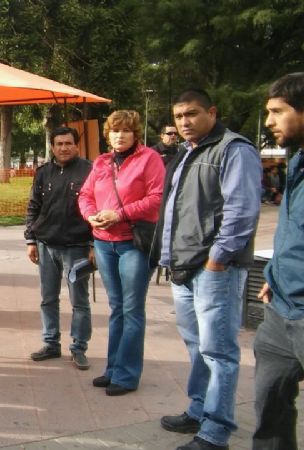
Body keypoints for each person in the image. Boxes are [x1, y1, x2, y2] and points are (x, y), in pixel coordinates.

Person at [157, 89, 261, 450]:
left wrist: (218, 259)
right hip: (184, 265)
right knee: (197, 347)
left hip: (215, 269)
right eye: (179, 116)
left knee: (219, 352)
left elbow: (242, 210)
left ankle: (216, 431)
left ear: (212, 112)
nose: (184, 122)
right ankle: (199, 410)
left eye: (192, 114)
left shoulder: (235, 149)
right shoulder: (187, 152)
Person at [78, 110, 165, 396]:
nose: (119, 135)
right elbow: (85, 195)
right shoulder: (102, 162)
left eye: (126, 130)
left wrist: (120, 214)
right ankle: (113, 368)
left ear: (135, 133)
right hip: (104, 242)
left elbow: (156, 198)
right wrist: (91, 216)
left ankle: (127, 375)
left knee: (132, 309)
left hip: (132, 242)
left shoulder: (149, 158)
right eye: (115, 131)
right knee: (117, 308)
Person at [253, 72, 304, 450]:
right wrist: (276, 273)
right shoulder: (297, 160)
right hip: (279, 309)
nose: (269, 121)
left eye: (277, 111)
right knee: (269, 404)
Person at [26, 126, 94, 370]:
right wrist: (30, 240)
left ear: (76, 145)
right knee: (48, 298)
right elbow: (33, 206)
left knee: (79, 301)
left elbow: (97, 208)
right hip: (45, 245)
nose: (63, 148)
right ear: (52, 147)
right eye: (59, 144)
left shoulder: (90, 171)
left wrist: (94, 245)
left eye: (68, 143)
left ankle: (79, 347)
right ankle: (51, 343)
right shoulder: (43, 172)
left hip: (77, 247)